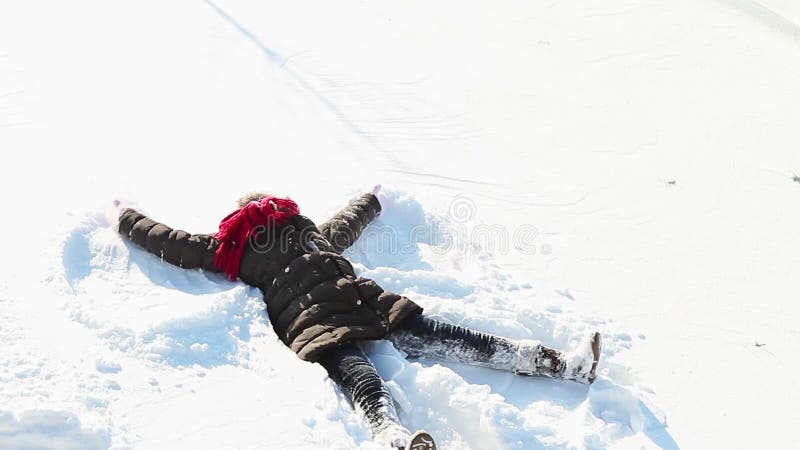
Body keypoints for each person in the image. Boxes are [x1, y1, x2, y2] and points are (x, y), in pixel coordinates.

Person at [116, 188, 601, 450]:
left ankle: (392, 435)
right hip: (353, 303)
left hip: (320, 316)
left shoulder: (238, 248)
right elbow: (345, 225)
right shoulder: (295, 236)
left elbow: (171, 242)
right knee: (448, 340)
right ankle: (560, 364)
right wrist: (370, 200)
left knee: (363, 375)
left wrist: (126, 217)